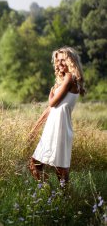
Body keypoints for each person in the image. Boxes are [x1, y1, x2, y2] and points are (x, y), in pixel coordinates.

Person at [28, 46, 85, 186]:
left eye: (62, 60)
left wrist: (51, 92)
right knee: (35, 165)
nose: (59, 64)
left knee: (60, 169)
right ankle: (49, 193)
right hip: (53, 128)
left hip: (61, 128)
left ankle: (62, 198)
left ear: (71, 61)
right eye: (57, 61)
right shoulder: (64, 80)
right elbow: (50, 109)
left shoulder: (70, 78)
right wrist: (35, 128)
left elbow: (52, 103)